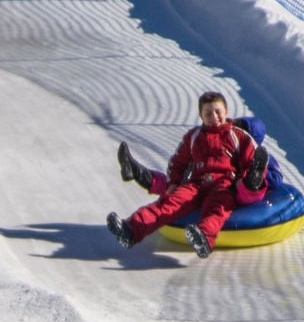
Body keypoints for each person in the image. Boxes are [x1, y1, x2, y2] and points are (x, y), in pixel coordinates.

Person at [107, 91, 266, 258]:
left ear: (226, 112)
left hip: (224, 183)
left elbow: (250, 160)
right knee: (169, 203)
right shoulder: (194, 137)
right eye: (208, 113)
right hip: (196, 183)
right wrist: (173, 183)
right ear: (201, 116)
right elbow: (178, 162)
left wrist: (247, 178)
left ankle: (203, 238)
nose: (214, 116)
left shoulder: (237, 135)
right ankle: (131, 230)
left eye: (218, 111)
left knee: (217, 206)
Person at [117, 116, 276, 199]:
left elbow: (276, 177)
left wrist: (256, 175)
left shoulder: (259, 156)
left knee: (245, 188)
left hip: (236, 192)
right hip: (211, 187)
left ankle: (252, 180)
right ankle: (137, 171)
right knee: (178, 186)